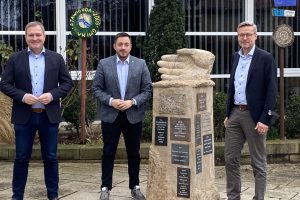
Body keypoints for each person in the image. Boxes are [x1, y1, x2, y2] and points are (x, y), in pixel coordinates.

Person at [0, 21, 73, 200]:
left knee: (51, 157)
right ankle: (17, 196)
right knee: (21, 158)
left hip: (49, 116)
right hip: (24, 116)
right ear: (26, 37)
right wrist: (23, 96)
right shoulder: (15, 59)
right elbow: (4, 84)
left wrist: (53, 95)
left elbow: (67, 83)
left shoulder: (56, 58)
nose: (35, 38)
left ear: (44, 37)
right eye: (31, 35)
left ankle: (53, 195)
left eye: (38, 35)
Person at [93, 32, 152, 200]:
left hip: (133, 115)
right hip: (111, 115)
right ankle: (105, 187)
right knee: (108, 152)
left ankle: (135, 186)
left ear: (131, 46)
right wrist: (111, 101)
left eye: (126, 44)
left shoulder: (141, 64)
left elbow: (147, 90)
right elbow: (97, 89)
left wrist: (132, 102)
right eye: (120, 44)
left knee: (134, 152)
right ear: (114, 46)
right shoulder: (104, 64)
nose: (123, 47)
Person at [224, 21, 277, 200]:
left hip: (255, 117)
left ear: (256, 36)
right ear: (238, 37)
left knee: (258, 163)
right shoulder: (235, 57)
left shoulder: (265, 57)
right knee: (230, 159)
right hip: (235, 115)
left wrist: (265, 118)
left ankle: (259, 198)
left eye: (248, 34)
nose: (245, 38)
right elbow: (231, 87)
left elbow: (272, 90)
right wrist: (227, 114)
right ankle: (233, 197)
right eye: (241, 35)